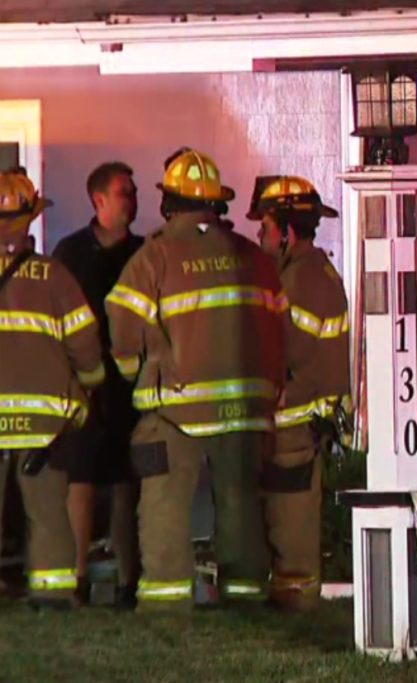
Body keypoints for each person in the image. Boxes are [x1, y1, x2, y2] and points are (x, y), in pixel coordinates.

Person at [105, 149, 286, 610]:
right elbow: (280, 326)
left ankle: (166, 600)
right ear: (216, 205)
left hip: (174, 409)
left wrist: (134, 371)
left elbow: (122, 320)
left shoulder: (156, 255)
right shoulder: (253, 258)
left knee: (164, 504)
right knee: (241, 502)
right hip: (245, 410)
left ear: (170, 204)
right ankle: (245, 596)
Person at [0, 170, 106, 610]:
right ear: (29, 221)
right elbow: (86, 347)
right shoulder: (54, 276)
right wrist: (90, 386)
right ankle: (53, 594)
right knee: (47, 514)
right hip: (44, 425)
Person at [249, 175, 350, 611]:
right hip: (296, 425)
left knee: (292, 531)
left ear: (287, 232)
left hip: (294, 426)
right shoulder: (304, 271)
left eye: (265, 227)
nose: (259, 235)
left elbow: (284, 352)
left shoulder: (303, 280)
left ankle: (297, 609)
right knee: (284, 523)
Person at [52, 161, 143, 606]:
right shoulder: (69, 255)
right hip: (84, 388)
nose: (133, 199)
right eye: (124, 191)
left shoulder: (146, 254)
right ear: (98, 200)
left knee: (129, 481)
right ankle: (78, 579)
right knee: (80, 480)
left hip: (132, 388)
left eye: (133, 191)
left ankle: (129, 582)